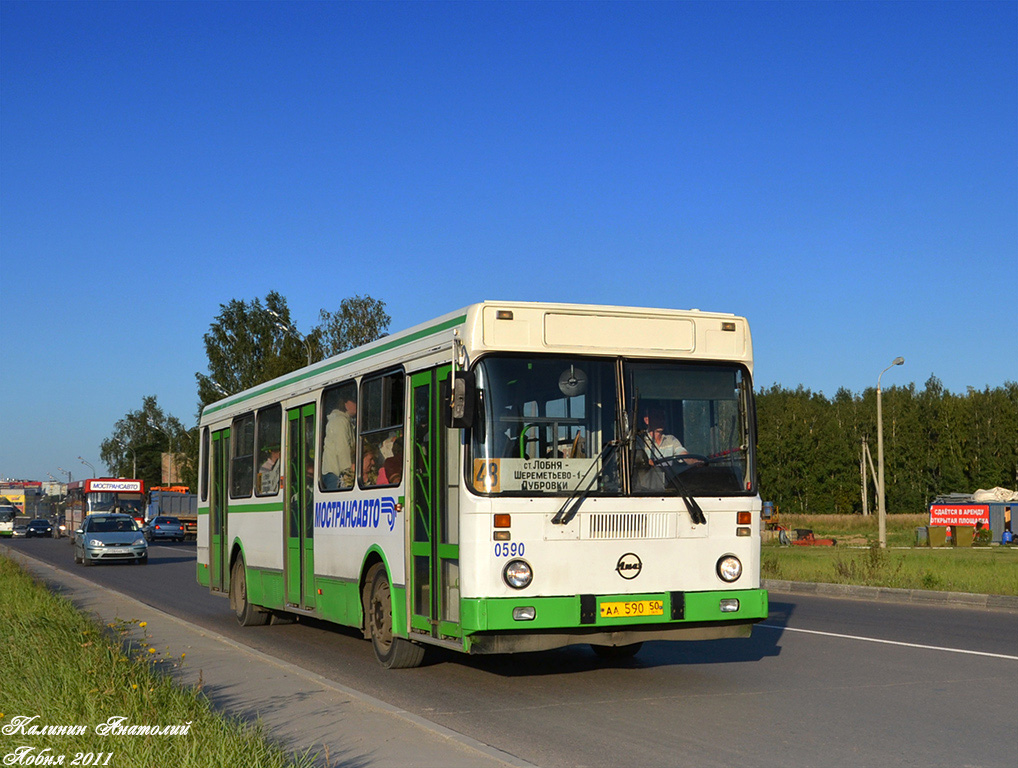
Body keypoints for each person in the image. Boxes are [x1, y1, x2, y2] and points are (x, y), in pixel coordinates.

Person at [321, 394, 356, 489]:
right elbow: (342, 450)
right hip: (335, 473)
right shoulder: (340, 422)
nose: (356, 404)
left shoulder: (345, 421)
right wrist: (349, 474)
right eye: (354, 401)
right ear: (346, 404)